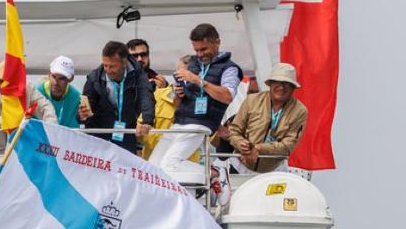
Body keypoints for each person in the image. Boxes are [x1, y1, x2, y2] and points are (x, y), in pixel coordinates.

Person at [148, 23, 242, 181]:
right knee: (153, 167)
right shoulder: (193, 64)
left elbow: (227, 96)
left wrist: (199, 81)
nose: (199, 54)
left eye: (203, 49)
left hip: (201, 123)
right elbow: (180, 103)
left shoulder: (229, 69)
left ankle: (217, 174)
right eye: (196, 50)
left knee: (169, 165)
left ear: (217, 42)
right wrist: (179, 94)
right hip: (179, 121)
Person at [227, 63, 307, 174]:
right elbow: (234, 131)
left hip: (274, 170)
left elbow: (287, 146)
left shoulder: (300, 111)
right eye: (277, 82)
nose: (281, 87)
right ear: (270, 84)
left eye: (287, 83)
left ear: (293, 87)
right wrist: (241, 145)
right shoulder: (251, 100)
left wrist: (258, 148)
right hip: (239, 166)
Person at [82, 41, 156, 154]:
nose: (108, 70)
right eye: (105, 65)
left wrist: (147, 121)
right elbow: (86, 106)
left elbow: (146, 95)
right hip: (98, 135)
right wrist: (82, 114)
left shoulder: (138, 74)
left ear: (124, 62)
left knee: (126, 169)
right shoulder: (94, 77)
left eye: (112, 66)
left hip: (126, 132)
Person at [0, 62, 57, 154]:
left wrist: (51, 129)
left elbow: (46, 107)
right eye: (1, 81)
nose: (5, 85)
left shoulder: (27, 87)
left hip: (23, 149)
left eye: (8, 82)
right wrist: (18, 120)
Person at [38, 56, 91, 129]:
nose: (56, 82)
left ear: (71, 79)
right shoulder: (37, 93)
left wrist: (84, 117)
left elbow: (72, 132)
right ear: (49, 74)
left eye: (61, 78)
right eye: (54, 76)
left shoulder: (77, 98)